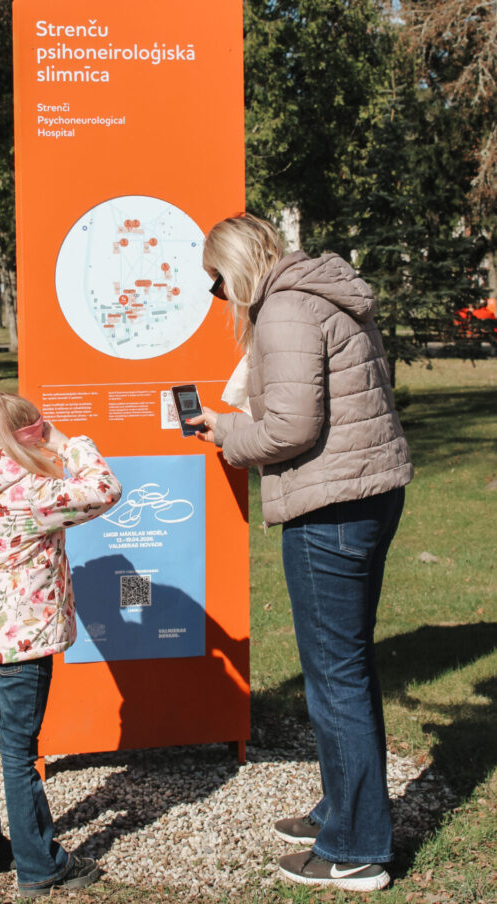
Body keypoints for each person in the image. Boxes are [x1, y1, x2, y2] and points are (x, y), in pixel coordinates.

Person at [190, 213, 413, 893]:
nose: (218, 297)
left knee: (335, 677)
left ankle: (354, 849)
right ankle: (341, 811)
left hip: (330, 510)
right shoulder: (322, 291)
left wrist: (227, 435)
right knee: (346, 668)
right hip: (367, 494)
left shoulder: (284, 309)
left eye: (215, 282)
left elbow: (291, 428)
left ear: (236, 266)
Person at [0, 379, 122, 899]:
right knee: (20, 751)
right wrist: (66, 443)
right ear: (22, 438)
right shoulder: (31, 493)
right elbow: (106, 488)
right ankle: (40, 863)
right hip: (26, 635)